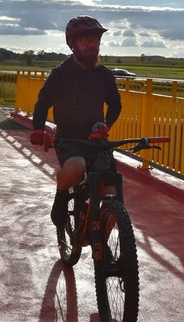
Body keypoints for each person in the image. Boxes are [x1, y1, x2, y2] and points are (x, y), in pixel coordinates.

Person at [29, 15, 122, 232]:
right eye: (85, 40)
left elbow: (116, 105)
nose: (92, 44)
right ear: (72, 44)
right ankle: (61, 199)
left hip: (97, 139)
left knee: (112, 192)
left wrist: (106, 125)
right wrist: (38, 129)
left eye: (95, 40)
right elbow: (43, 103)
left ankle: (103, 252)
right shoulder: (61, 74)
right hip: (69, 139)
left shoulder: (105, 75)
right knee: (76, 167)